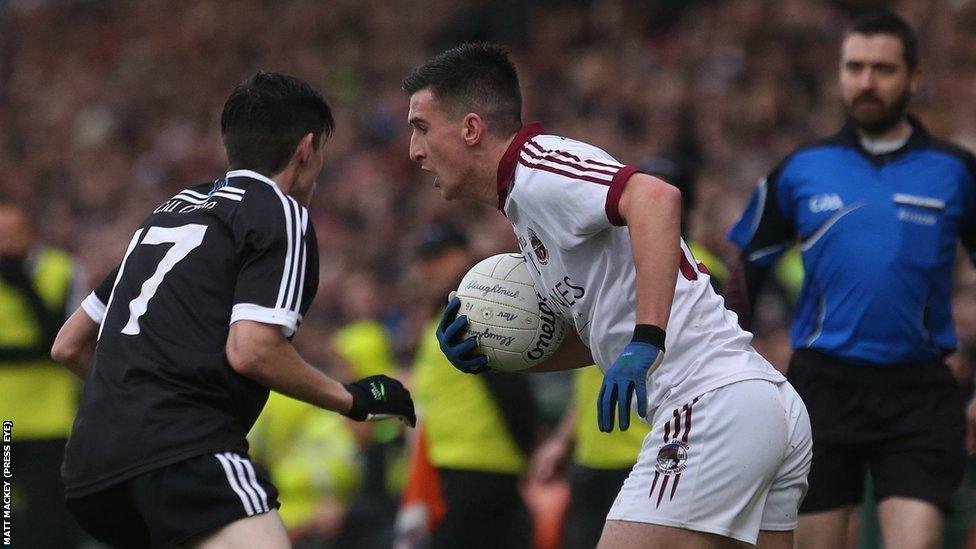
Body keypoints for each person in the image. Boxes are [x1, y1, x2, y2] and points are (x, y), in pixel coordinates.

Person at [403, 43, 812, 548]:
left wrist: (647, 339)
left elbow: (657, 196)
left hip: (707, 403)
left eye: (421, 128)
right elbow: (599, 337)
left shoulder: (537, 168)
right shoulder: (526, 206)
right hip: (758, 401)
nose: (414, 151)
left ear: (470, 129)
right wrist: (497, 357)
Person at [50, 72, 416, 549]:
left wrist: (134, 399)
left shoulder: (172, 210)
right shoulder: (279, 210)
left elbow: (68, 345)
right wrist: (351, 399)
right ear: (307, 149)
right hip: (184, 453)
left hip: (91, 467)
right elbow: (251, 350)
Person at [726, 10, 976, 549]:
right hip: (825, 389)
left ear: (913, 77)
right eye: (854, 67)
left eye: (883, 69)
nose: (866, 82)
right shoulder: (801, 169)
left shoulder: (955, 170)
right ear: (839, 74)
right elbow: (747, 273)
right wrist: (739, 360)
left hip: (921, 391)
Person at [399, 222, 537, 549]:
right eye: (426, 260)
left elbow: (508, 386)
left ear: (466, 256)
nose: (430, 268)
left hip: (478, 469)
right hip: (455, 469)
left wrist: (528, 446)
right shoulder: (446, 315)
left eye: (440, 257)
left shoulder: (478, 311)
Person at [0, 200, 89, 548]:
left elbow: (65, 338)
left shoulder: (63, 270)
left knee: (48, 520)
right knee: (8, 520)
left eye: (13, 235)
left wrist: (24, 286)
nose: (6, 245)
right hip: (5, 422)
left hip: (49, 421)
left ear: (33, 234)